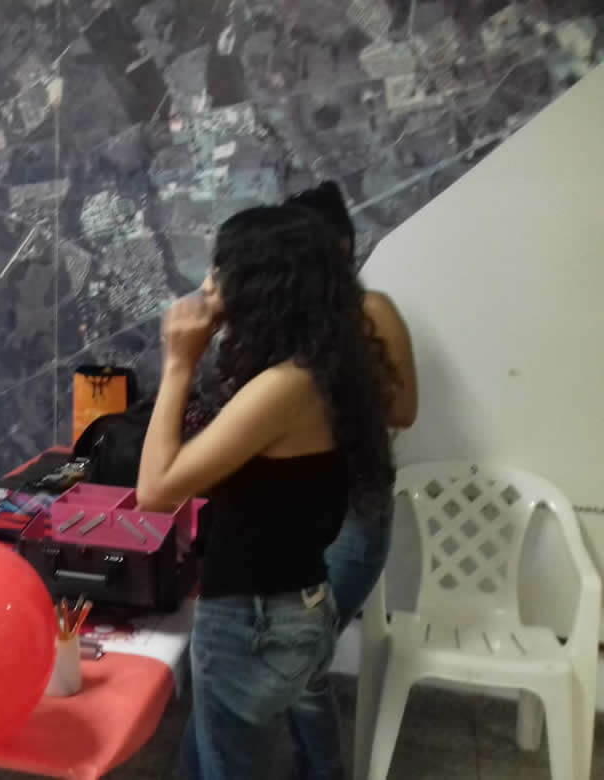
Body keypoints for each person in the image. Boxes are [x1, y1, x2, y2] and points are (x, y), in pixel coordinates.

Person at [136, 204, 396, 779]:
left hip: (253, 619)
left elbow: (154, 490)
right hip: (290, 605)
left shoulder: (284, 387)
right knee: (213, 758)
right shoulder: (323, 367)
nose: (208, 285)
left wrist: (177, 363)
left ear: (262, 285)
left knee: (226, 765)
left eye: (221, 269)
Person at [283, 182, 418, 780]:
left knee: (299, 655)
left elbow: (405, 409)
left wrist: (337, 387)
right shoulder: (284, 318)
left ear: (341, 247)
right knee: (291, 655)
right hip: (290, 510)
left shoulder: (373, 312)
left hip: (353, 517)